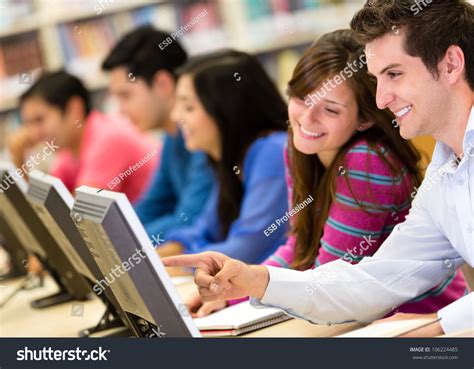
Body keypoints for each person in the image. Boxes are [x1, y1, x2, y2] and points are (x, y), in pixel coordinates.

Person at [163, 0, 474, 337]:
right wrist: (255, 280)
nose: (382, 98)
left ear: (451, 64)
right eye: (376, 79)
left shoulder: (371, 162)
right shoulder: (444, 173)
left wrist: (438, 325)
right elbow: (377, 280)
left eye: (394, 74)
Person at [156, 50, 289, 263]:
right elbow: (202, 231)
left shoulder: (273, 152)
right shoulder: (230, 158)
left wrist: (180, 260)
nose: (175, 116)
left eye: (188, 107)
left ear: (227, 108)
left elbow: (246, 250)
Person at [102, 26, 213, 241]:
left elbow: (190, 221)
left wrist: (119, 240)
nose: (121, 110)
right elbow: (151, 205)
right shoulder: (172, 137)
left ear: (162, 83)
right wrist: (109, 234)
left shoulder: (204, 134)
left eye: (126, 95)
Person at [18, 70, 157, 203]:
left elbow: (79, 215)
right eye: (28, 124)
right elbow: (46, 204)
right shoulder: (69, 150)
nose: (33, 134)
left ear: (74, 108)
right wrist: (18, 158)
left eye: (39, 120)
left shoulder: (108, 139)